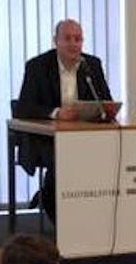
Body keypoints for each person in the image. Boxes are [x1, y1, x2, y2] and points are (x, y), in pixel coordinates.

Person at [14, 19, 114, 217]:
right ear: (55, 41)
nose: (73, 44)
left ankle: (92, 211)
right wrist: (56, 113)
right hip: (47, 139)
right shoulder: (37, 66)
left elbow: (106, 102)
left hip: (84, 136)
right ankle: (55, 209)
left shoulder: (92, 65)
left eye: (78, 39)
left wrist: (98, 111)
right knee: (62, 158)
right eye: (67, 39)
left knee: (104, 154)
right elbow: (23, 108)